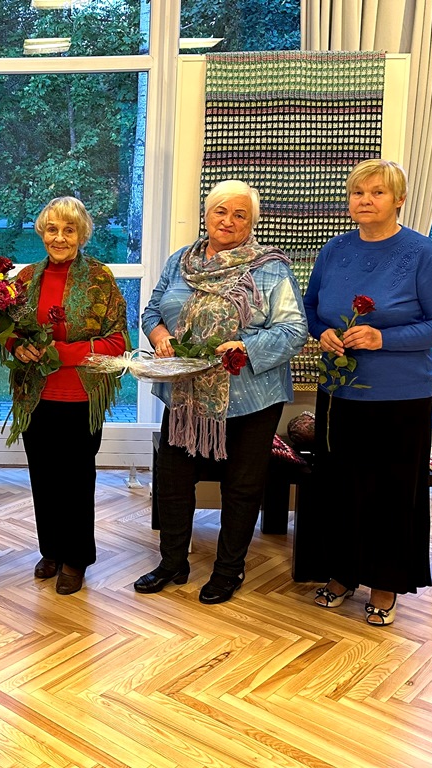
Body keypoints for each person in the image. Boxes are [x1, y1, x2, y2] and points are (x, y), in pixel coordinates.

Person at [134, 180, 307, 604]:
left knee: (242, 487)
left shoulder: (270, 268)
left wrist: (245, 348)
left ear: (252, 222)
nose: (228, 221)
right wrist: (159, 335)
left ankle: (229, 570)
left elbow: (294, 330)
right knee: (173, 481)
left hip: (251, 397)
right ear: (206, 214)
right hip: (186, 394)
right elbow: (152, 311)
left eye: (239, 214)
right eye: (220, 211)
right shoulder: (181, 261)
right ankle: (172, 562)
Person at [303, 159, 432, 626]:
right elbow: (311, 308)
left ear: (399, 200)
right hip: (338, 392)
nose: (365, 200)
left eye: (377, 192)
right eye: (358, 192)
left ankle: (385, 582)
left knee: (390, 492)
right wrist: (322, 332)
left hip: (400, 397)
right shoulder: (335, 250)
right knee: (339, 487)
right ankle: (341, 573)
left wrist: (381, 338)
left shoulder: (421, 253)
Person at [8, 197, 129, 595]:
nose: (59, 238)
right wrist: (16, 346)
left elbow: (118, 341)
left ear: (82, 234)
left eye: (68, 230)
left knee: (76, 480)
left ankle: (76, 558)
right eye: (52, 229)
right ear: (42, 233)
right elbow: (8, 329)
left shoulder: (99, 278)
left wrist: (65, 354)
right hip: (34, 395)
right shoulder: (27, 278)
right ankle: (51, 550)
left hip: (80, 396)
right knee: (43, 476)